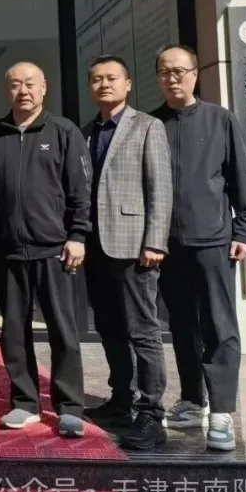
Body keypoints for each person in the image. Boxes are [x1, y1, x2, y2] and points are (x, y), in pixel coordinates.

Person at [153, 44, 246, 452]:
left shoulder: (220, 120)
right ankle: (193, 400)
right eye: (165, 72)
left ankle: (222, 411)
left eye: (179, 71)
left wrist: (244, 231)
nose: (172, 78)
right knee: (182, 325)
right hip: (166, 244)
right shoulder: (152, 124)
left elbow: (240, 179)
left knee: (219, 325)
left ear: (195, 74)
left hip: (213, 240)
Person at [0, 62, 90, 438]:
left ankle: (69, 406)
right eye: (16, 84)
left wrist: (78, 235)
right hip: (8, 250)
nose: (23, 91)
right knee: (14, 330)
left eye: (30, 84)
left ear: (44, 87)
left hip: (55, 250)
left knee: (63, 329)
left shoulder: (63, 131)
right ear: (7, 90)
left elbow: (80, 190)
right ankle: (25, 402)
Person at [80, 55, 172, 450]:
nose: (104, 84)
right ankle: (121, 399)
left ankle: (151, 413)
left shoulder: (147, 126)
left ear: (128, 84)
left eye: (112, 78)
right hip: (96, 246)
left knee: (143, 330)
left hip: (135, 245)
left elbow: (160, 187)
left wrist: (155, 241)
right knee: (109, 326)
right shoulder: (87, 132)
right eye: (97, 79)